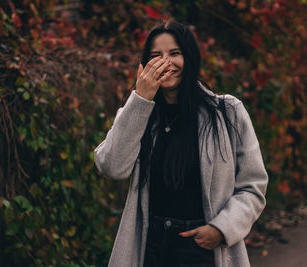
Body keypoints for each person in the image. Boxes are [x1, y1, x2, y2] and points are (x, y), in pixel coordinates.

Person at [94, 21, 268, 267]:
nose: (166, 62)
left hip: (202, 248)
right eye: (156, 56)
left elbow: (253, 187)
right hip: (149, 246)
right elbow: (111, 166)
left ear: (190, 58)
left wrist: (221, 229)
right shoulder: (139, 112)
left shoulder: (227, 112)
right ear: (145, 65)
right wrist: (141, 99)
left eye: (175, 54)